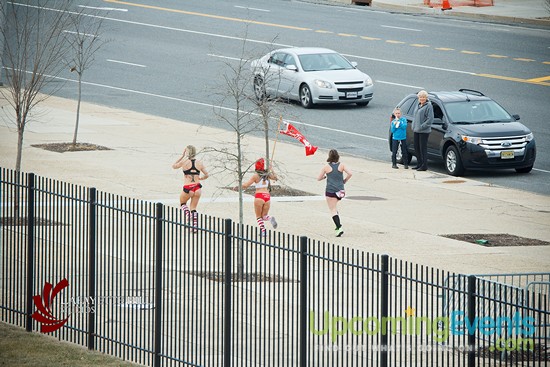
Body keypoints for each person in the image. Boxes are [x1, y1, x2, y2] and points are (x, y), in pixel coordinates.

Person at [172, 145, 209, 230]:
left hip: (188, 187)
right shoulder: (199, 163)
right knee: (193, 207)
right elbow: (207, 174)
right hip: (197, 187)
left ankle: (188, 214)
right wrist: (201, 178)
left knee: (182, 203)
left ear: (187, 152)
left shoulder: (184, 162)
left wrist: (182, 156)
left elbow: (174, 166)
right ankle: (194, 226)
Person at [317, 149, 352, 237]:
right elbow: (350, 173)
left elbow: (318, 178)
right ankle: (337, 227)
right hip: (340, 191)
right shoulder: (342, 165)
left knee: (332, 209)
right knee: (335, 208)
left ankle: (339, 227)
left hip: (330, 191)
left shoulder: (326, 167)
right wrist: (344, 181)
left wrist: (325, 177)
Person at [241, 158, 278, 237]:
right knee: (264, 216)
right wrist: (272, 170)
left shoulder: (255, 176)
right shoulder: (267, 175)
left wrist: (239, 185)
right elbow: (275, 178)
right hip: (267, 196)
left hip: (259, 196)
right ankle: (270, 218)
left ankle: (263, 231)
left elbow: (246, 185)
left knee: (258, 217)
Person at [412, 90, 434, 171]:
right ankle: (419, 164)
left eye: (423, 97)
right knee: (416, 147)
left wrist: (422, 126)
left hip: (424, 131)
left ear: (426, 98)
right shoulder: (418, 105)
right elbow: (415, 117)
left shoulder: (429, 106)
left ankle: (424, 165)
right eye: (420, 97)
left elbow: (430, 119)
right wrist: (414, 126)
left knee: (422, 148)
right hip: (416, 130)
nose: (422, 98)